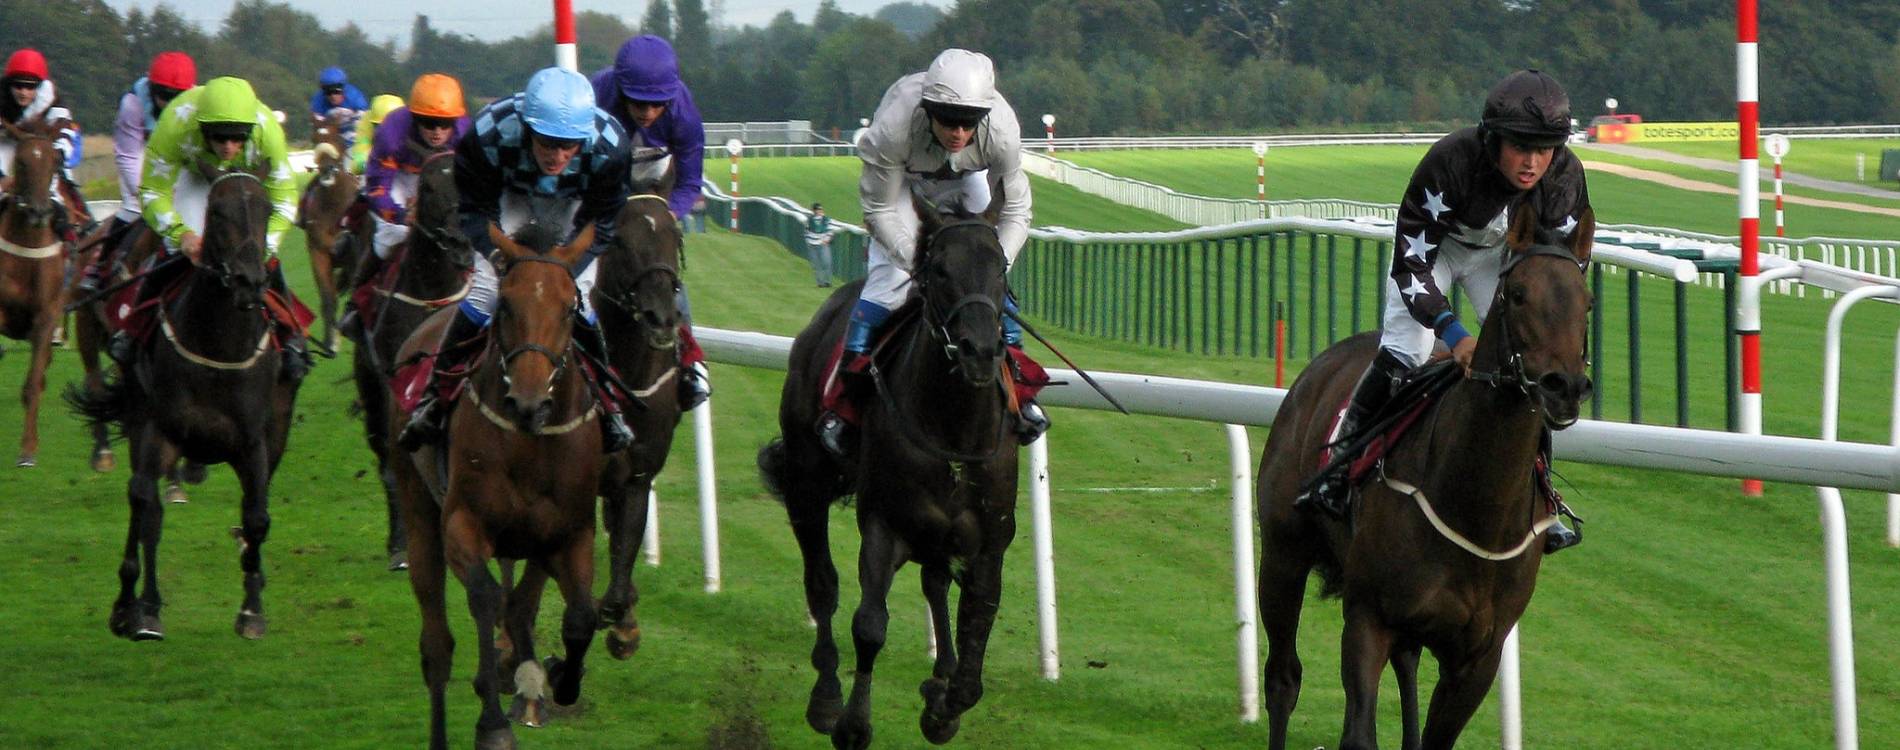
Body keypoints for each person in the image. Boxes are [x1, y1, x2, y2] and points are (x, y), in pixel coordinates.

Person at [1296, 69, 1588, 553]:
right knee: (1407, 351)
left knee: (1530, 362)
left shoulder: (1564, 176)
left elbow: (1561, 267)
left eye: (1545, 150)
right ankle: (1339, 468)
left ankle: (1543, 495)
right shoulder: (1449, 163)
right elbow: (1410, 263)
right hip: (1435, 252)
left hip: (1500, 258)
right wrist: (1453, 334)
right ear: (1493, 140)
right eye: (1520, 147)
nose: (1533, 162)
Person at [815, 48, 1044, 457]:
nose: (958, 132)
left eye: (969, 122)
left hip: (967, 177)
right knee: (888, 283)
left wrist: (994, 267)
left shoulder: (1002, 131)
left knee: (988, 286)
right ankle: (843, 407)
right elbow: (879, 211)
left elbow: (1016, 211)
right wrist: (918, 262)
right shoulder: (894, 128)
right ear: (928, 110)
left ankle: (1022, 396)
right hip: (901, 186)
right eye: (948, 120)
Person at [396, 67, 635, 453]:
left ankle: (609, 406)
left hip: (575, 207)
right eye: (547, 143)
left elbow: (603, 223)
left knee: (578, 298)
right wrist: (499, 258)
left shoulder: (611, 146)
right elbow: (474, 213)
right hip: (509, 199)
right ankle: (434, 397)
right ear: (526, 128)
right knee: (486, 292)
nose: (558, 156)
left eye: (569, 146)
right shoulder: (488, 135)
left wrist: (563, 271)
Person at [118, 76, 308, 381]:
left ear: (250, 131)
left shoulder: (267, 130)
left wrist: (262, 247)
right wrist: (182, 235)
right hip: (194, 177)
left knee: (262, 260)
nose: (229, 146)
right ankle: (133, 330)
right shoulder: (176, 123)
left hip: (246, 181)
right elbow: (152, 191)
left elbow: (285, 199)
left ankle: (292, 338)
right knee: (173, 250)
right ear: (202, 128)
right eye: (219, 138)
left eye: (238, 138)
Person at [589, 34, 711, 410]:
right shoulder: (596, 97)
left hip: (658, 184)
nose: (647, 112)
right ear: (621, 90)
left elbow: (690, 182)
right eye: (639, 103)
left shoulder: (684, 114)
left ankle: (690, 363)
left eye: (657, 104)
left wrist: (668, 215)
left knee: (661, 266)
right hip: (603, 178)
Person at [337, 74, 469, 337]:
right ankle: (356, 301)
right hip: (400, 177)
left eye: (445, 124)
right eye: (429, 123)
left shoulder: (466, 133)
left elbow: (471, 182)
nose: (437, 131)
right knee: (390, 235)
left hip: (443, 178)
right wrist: (400, 215)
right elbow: (378, 188)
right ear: (415, 118)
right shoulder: (392, 132)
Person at [77, 51, 197, 294]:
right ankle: (98, 267)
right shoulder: (133, 104)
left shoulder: (198, 102)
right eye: (164, 96)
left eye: (177, 97)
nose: (170, 103)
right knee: (134, 207)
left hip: (180, 156)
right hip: (142, 153)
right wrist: (149, 195)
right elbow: (128, 156)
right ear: (151, 89)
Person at [0, 48, 91, 241]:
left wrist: (58, 156)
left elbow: (67, 133)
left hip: (42, 149)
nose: (23, 92)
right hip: (6, 144)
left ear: (40, 86)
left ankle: (75, 234)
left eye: (30, 87)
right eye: (18, 86)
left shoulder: (54, 102)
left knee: (52, 185)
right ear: (8, 84)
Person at [308, 66, 369, 154]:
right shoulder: (318, 102)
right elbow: (317, 127)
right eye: (328, 92)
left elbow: (364, 127)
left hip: (354, 136)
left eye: (337, 91)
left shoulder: (356, 99)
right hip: (333, 137)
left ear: (344, 89)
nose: (333, 96)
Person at [352, 93, 405, 172]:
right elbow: (358, 162)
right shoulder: (366, 123)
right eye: (378, 126)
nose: (383, 131)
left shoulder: (411, 124)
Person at [804, 202, 834, 287]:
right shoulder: (809, 220)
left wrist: (827, 240)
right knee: (816, 265)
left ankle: (827, 281)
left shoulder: (827, 220)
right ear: (814, 210)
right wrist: (808, 241)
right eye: (818, 209)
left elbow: (830, 231)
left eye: (820, 209)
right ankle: (820, 282)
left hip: (823, 244)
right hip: (812, 244)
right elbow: (806, 232)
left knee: (827, 262)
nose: (820, 211)